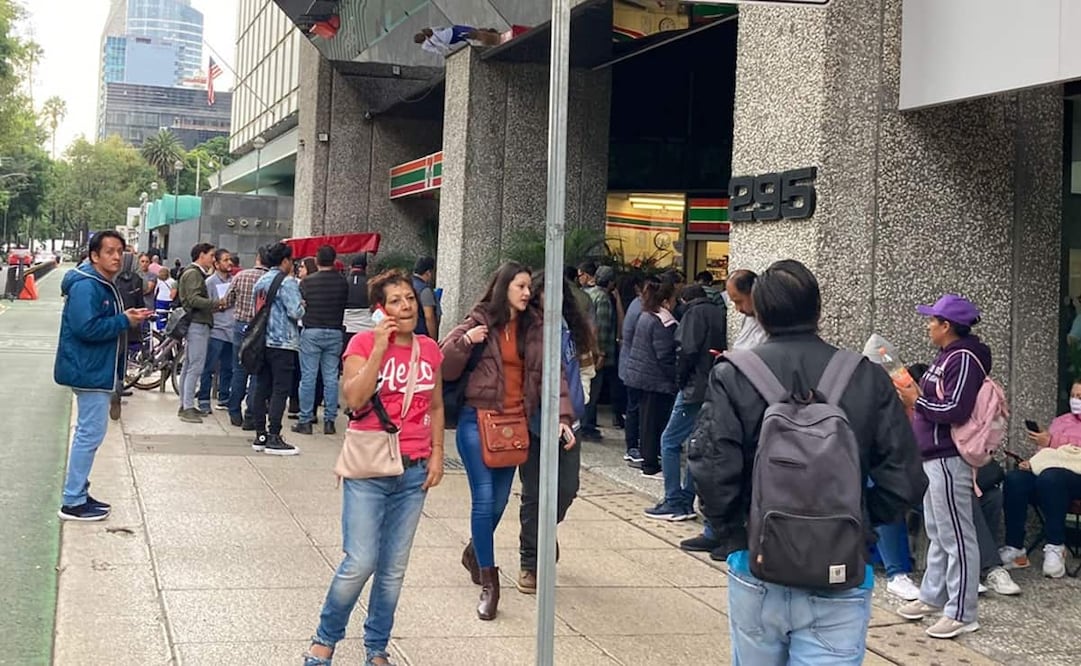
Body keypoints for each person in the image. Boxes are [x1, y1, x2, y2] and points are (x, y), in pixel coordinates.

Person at [688, 259, 926, 663]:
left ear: (760, 313)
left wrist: (734, 531)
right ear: (818, 309)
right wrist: (859, 522)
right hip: (841, 565)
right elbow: (905, 477)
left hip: (756, 559)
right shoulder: (864, 375)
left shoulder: (734, 373)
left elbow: (711, 467)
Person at [304, 270, 445, 666]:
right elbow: (354, 398)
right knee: (360, 561)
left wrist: (437, 453)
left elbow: (436, 406)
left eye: (410, 299)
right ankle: (325, 639)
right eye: (396, 301)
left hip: (413, 470)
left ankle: (377, 646)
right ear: (380, 310)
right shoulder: (363, 343)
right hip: (369, 469)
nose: (407, 306)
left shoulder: (429, 349)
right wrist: (380, 348)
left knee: (393, 568)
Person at [441, 262, 575, 621]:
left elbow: (555, 376)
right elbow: (442, 363)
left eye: (529, 287)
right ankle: (490, 583)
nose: (528, 293)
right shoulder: (479, 321)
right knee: (484, 499)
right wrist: (465, 343)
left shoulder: (537, 328)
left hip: (515, 425)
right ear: (504, 288)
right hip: (476, 420)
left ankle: (474, 551)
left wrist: (563, 417)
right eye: (521, 286)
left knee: (499, 502)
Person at [896, 294, 990, 638]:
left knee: (958, 537)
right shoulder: (948, 355)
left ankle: (962, 612)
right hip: (933, 455)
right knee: (938, 531)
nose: (928, 326)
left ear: (946, 326)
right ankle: (932, 596)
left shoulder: (963, 357)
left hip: (948, 456)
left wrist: (916, 400)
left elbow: (955, 409)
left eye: (932, 320)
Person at [55, 230, 152, 520]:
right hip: (90, 369)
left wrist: (126, 317)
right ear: (94, 256)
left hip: (95, 368)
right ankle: (73, 501)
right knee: (89, 434)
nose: (116, 257)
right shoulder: (88, 286)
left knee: (89, 433)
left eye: (120, 251)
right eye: (109, 251)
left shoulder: (100, 282)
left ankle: (79, 492)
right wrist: (123, 320)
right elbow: (86, 328)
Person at [516, 272, 593, 594]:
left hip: (569, 424)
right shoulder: (527, 328)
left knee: (567, 489)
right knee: (534, 494)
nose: (552, 298)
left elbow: (586, 368)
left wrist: (581, 397)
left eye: (558, 292)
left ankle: (545, 533)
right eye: (545, 292)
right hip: (534, 424)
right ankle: (530, 561)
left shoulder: (573, 328)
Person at [645, 283, 726, 521]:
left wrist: (679, 380)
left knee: (669, 441)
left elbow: (686, 351)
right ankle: (687, 498)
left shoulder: (692, 315)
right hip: (712, 385)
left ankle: (674, 500)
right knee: (695, 442)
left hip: (692, 386)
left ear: (683, 300)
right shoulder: (718, 313)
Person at [999, 378, 1081, 579]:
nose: (1075, 400)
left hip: (1075, 477)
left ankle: (1056, 546)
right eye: (1072, 395)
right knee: (1015, 479)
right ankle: (1015, 548)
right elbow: (1047, 454)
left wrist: (1052, 441)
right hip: (1049, 476)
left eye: (1080, 396)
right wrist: (1032, 462)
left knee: (1051, 478)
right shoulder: (1061, 421)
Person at [249, 242, 304, 455]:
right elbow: (296, 312)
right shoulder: (287, 282)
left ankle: (260, 434)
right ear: (285, 261)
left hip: (262, 341)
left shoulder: (260, 281)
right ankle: (274, 435)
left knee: (262, 387)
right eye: (291, 260)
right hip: (283, 342)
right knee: (280, 390)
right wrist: (302, 305)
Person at [622, 280, 679, 478]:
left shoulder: (645, 315)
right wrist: (676, 377)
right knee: (653, 423)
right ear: (666, 301)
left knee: (645, 420)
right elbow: (665, 355)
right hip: (655, 379)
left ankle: (648, 459)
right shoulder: (663, 322)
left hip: (640, 375)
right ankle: (650, 464)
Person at [296, 245, 349, 436]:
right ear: (334, 260)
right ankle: (329, 421)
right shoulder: (342, 282)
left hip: (312, 330)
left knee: (308, 377)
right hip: (334, 331)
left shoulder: (307, 282)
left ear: (317, 261)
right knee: (331, 377)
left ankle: (305, 420)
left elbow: (301, 305)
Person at [224, 246, 269, 430]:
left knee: (239, 369)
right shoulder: (271, 279)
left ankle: (234, 411)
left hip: (240, 326)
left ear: (257, 258)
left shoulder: (240, 276)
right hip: (260, 328)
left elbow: (228, 300)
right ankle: (251, 413)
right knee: (257, 371)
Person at [177, 243, 219, 423]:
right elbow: (194, 299)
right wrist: (215, 303)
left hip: (195, 323)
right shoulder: (194, 274)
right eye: (211, 255)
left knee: (189, 365)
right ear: (201, 255)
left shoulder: (192, 273)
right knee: (195, 366)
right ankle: (187, 407)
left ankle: (185, 404)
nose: (213, 259)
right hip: (197, 323)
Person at [618, 275, 656, 466]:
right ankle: (632, 447)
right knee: (634, 408)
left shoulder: (638, 305)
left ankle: (636, 445)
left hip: (632, 365)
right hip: (634, 366)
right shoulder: (641, 308)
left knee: (635, 407)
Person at [577, 262, 616, 441]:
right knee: (593, 390)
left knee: (587, 388)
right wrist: (601, 353)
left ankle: (586, 424)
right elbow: (601, 327)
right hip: (596, 352)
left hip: (585, 349)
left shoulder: (587, 294)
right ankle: (587, 426)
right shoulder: (602, 298)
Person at [196, 249, 235, 412]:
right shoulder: (210, 282)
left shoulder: (234, 281)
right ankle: (204, 399)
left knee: (228, 367)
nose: (229, 263)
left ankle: (224, 397)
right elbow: (206, 305)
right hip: (216, 330)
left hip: (231, 330)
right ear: (217, 264)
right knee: (209, 366)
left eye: (230, 259)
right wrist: (219, 305)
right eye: (225, 260)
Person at [344, 254, 374, 348]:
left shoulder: (344, 282)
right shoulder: (371, 283)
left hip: (347, 326)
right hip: (367, 326)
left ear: (350, 266)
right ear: (366, 268)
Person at [412, 256, 439, 338]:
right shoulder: (425, 290)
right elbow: (429, 317)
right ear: (428, 273)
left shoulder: (407, 284)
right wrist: (433, 339)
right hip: (421, 335)